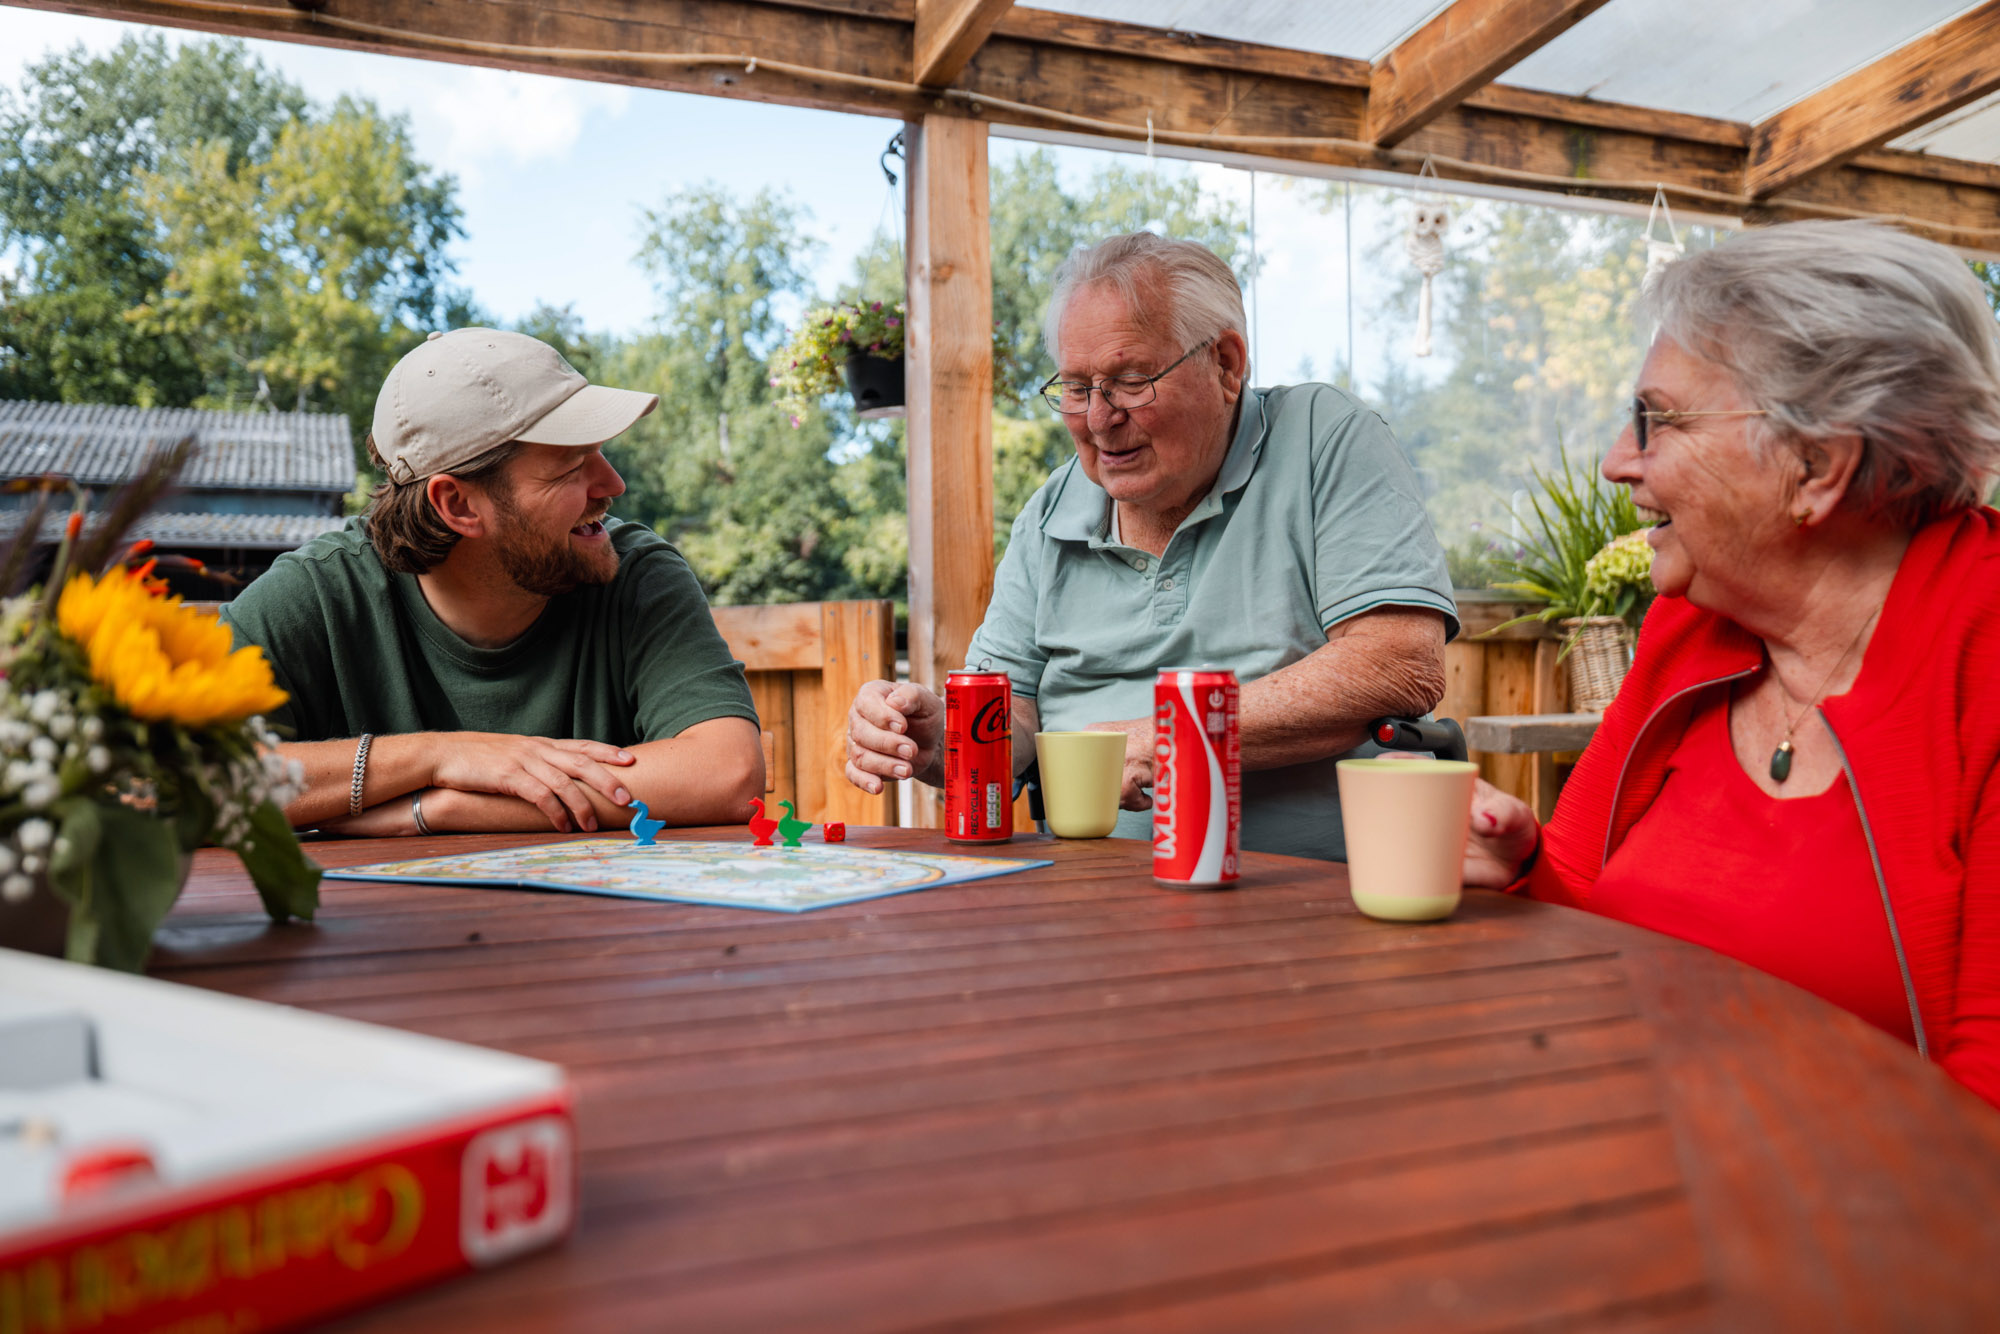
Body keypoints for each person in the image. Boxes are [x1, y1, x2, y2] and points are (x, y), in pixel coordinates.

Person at [1462, 221, 2000, 1108]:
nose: (1615, 464)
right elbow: (1586, 912)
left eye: (1655, 421)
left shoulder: (1976, 657)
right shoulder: (1692, 623)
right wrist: (1520, 866)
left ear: (1815, 465)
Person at [845, 233, 1458, 861]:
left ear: (1225, 363)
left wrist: (1170, 736)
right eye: (1078, 388)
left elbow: (1397, 662)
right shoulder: (1050, 514)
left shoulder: (1322, 438)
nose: (1100, 418)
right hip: (1086, 893)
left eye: (1131, 380)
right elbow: (1015, 716)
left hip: (1315, 891)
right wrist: (937, 737)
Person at [223, 328, 763, 836]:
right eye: (570, 467)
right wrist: (438, 757)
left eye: (599, 452)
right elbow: (166, 780)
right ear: (457, 504)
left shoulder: (638, 574)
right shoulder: (319, 593)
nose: (612, 484)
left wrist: (443, 808)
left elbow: (727, 774)